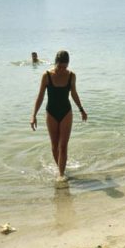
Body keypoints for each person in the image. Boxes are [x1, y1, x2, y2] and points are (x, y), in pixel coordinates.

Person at [30, 50, 88, 182]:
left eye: (65, 67)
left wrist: (81, 110)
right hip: (51, 112)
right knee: (55, 145)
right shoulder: (46, 76)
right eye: (60, 66)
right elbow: (40, 96)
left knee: (63, 146)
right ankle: (61, 168)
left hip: (66, 112)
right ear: (55, 63)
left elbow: (74, 94)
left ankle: (61, 175)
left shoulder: (71, 76)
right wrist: (33, 115)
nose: (62, 69)